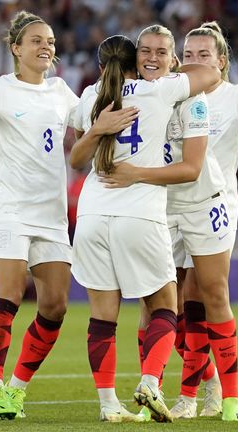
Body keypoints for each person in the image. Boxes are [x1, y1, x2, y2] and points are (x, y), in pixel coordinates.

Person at [0, 11, 133, 420]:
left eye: (50, 40)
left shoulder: (60, 91)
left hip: (50, 215)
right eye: (36, 40)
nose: (46, 46)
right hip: (8, 211)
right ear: (16, 48)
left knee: (55, 307)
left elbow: (91, 121)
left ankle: (16, 390)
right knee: (10, 292)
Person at [105, 21, 238, 421]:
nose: (194, 61)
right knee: (160, 306)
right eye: (188, 55)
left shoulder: (235, 97)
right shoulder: (167, 93)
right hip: (161, 205)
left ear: (221, 62)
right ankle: (191, 382)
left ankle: (221, 398)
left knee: (206, 297)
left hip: (212, 204)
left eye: (203, 55)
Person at [69, 33, 220, 423]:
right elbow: (207, 72)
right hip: (139, 215)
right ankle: (151, 382)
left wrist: (99, 128)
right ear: (137, 59)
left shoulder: (93, 95)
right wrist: (176, 66)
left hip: (90, 214)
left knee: (102, 317)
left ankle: (107, 405)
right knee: (165, 307)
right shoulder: (161, 91)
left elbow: (75, 158)